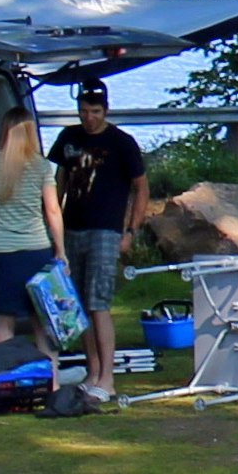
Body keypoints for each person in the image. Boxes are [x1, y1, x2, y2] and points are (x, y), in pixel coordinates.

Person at [48, 83, 158, 410]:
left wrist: (131, 230)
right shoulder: (69, 138)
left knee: (99, 302)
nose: (89, 118)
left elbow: (141, 188)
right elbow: (58, 182)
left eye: (95, 112)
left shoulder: (121, 143)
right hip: (73, 228)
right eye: (84, 112)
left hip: (106, 230)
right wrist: (54, 224)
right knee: (78, 304)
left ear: (105, 111)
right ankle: (92, 370)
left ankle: (107, 377)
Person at [0, 105, 68, 380]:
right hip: (36, 251)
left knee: (4, 323)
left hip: (1, 253)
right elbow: (53, 211)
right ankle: (52, 382)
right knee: (42, 322)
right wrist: (60, 249)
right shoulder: (41, 166)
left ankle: (4, 381)